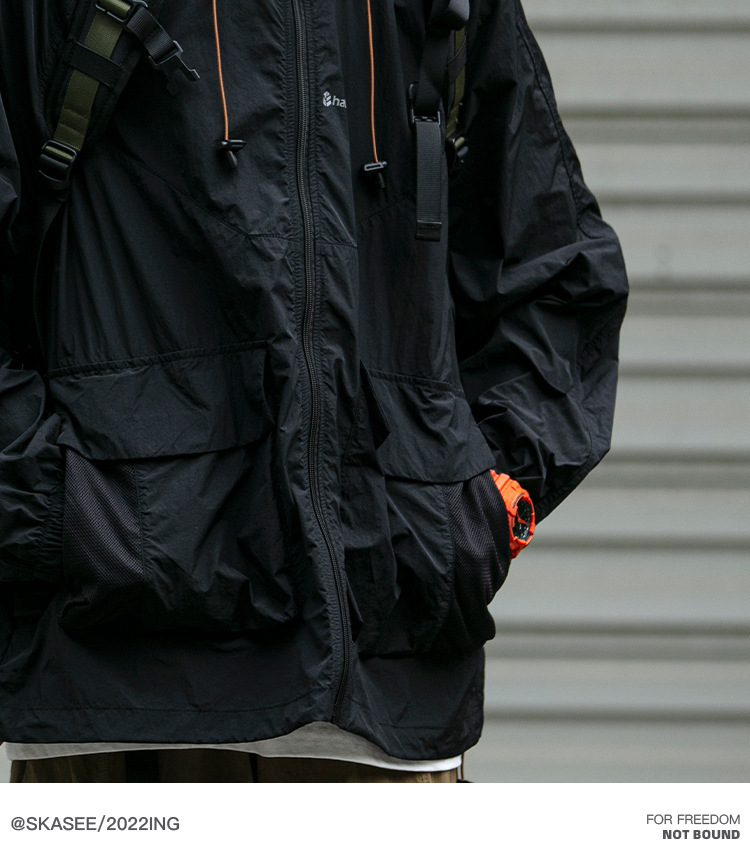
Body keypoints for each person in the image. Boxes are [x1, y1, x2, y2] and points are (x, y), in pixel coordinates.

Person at [0, 0, 628, 783]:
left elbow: (555, 276)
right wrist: (64, 517)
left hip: (392, 707)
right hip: (117, 699)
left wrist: (470, 512)